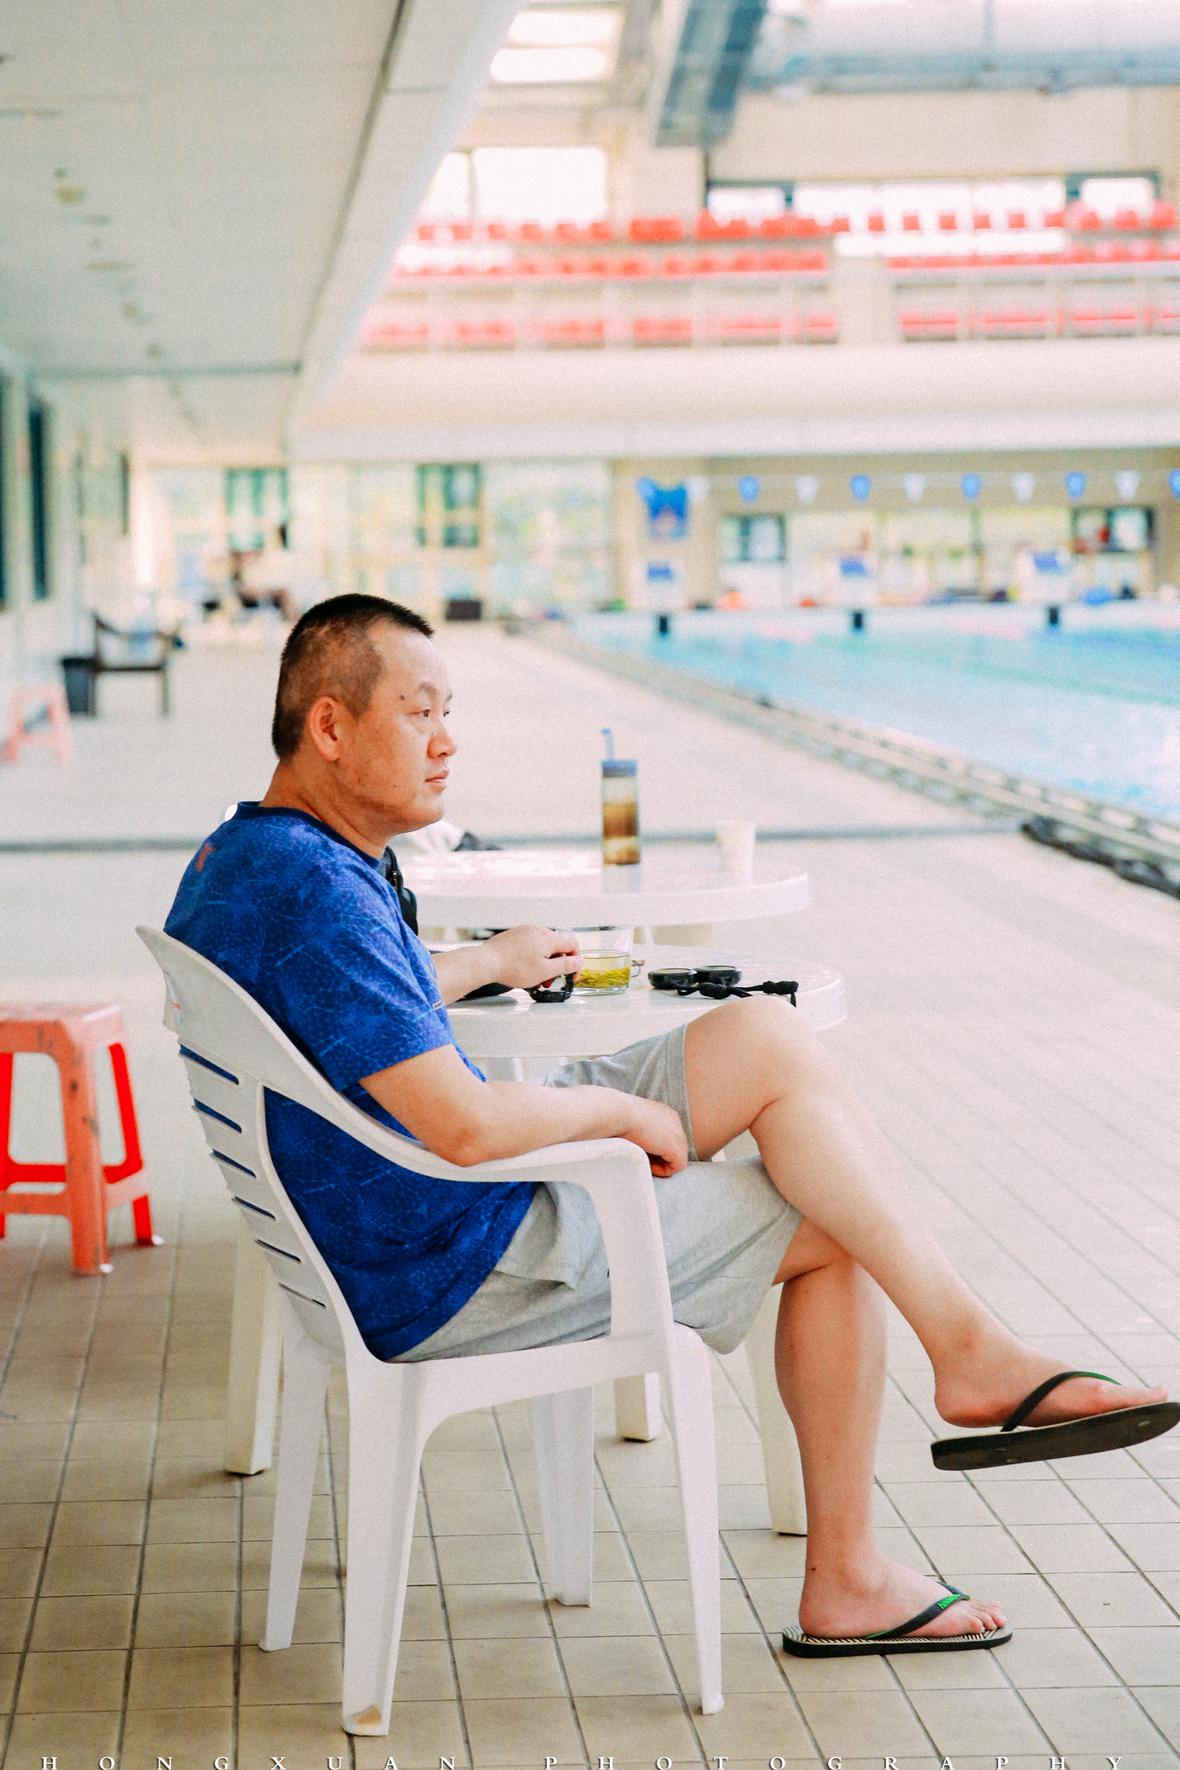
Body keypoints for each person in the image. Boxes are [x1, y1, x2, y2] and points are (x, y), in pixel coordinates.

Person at [165, 593, 1174, 1659]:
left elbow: (342, 997)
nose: (447, 740)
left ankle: (969, 1350)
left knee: (763, 1035)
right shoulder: (319, 891)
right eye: (419, 713)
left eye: (448, 711)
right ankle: (854, 1565)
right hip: (455, 1252)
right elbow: (466, 1131)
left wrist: (485, 961)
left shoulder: (254, 857)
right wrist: (622, 1111)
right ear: (330, 726)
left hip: (401, 1209)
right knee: (835, 1223)